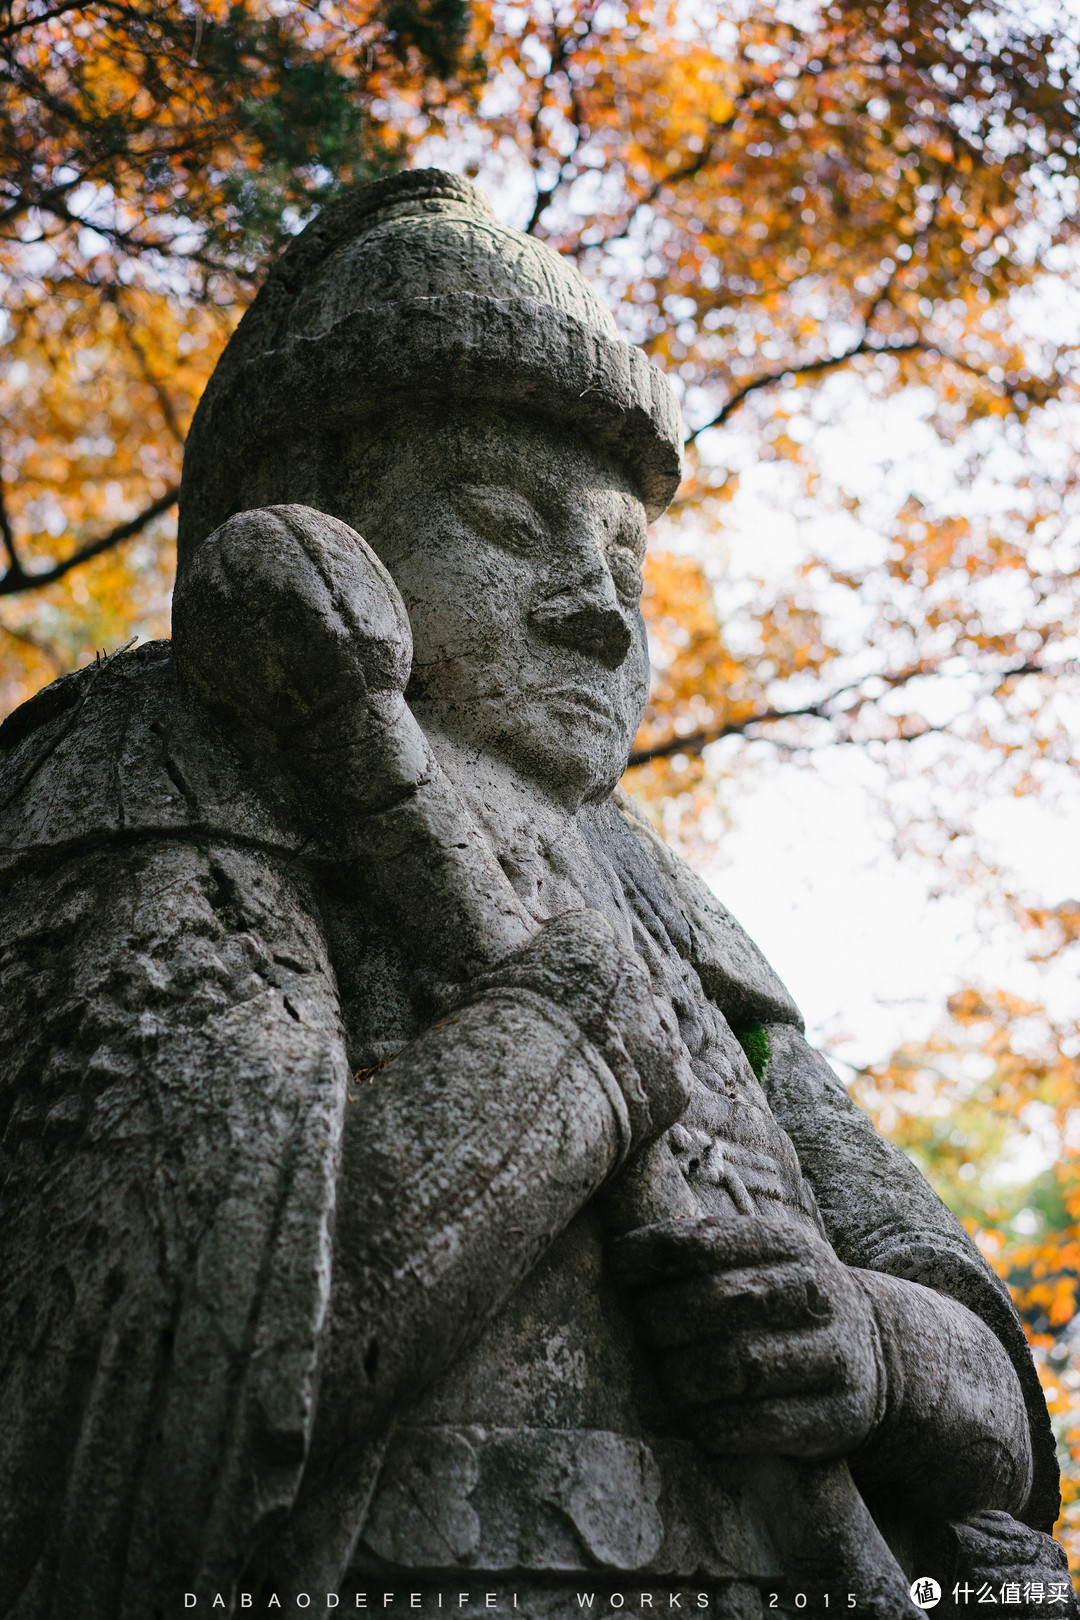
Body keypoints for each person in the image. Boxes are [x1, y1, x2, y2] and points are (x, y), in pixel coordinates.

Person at [0, 170, 1070, 1620]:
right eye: (506, 520)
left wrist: (873, 1348)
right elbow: (162, 1361)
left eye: (626, 555)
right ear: (321, 526)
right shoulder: (156, 770)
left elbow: (983, 1378)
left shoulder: (663, 898)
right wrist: (562, 1042)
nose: (602, 607)